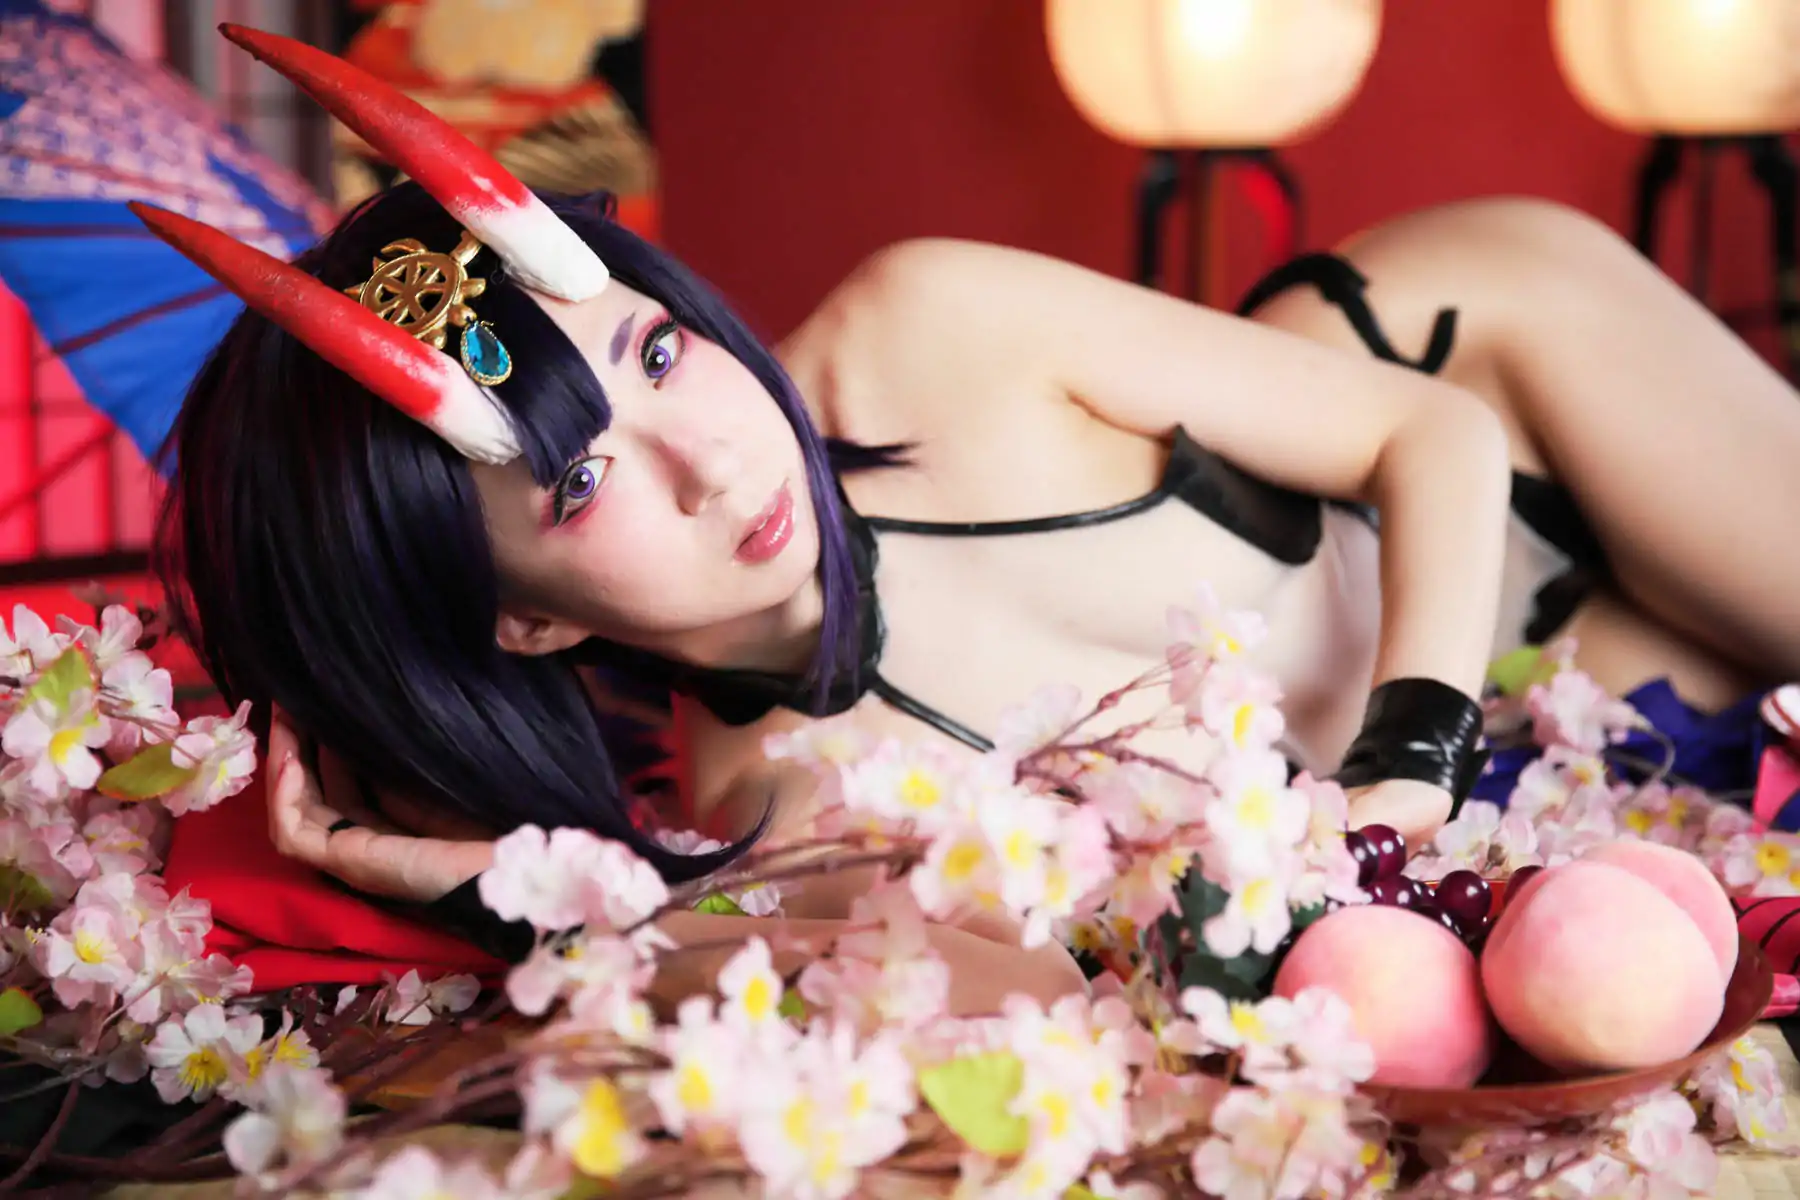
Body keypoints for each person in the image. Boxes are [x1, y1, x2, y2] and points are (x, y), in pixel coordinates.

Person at [149, 27, 1800, 990]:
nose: (714, 460)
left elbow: (1426, 435)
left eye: (658, 352)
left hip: (1504, 387)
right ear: (520, 621)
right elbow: (1013, 989)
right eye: (580, 481)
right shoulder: (775, 811)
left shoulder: (919, 324)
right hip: (1556, 701)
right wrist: (476, 885)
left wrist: (1406, 767)